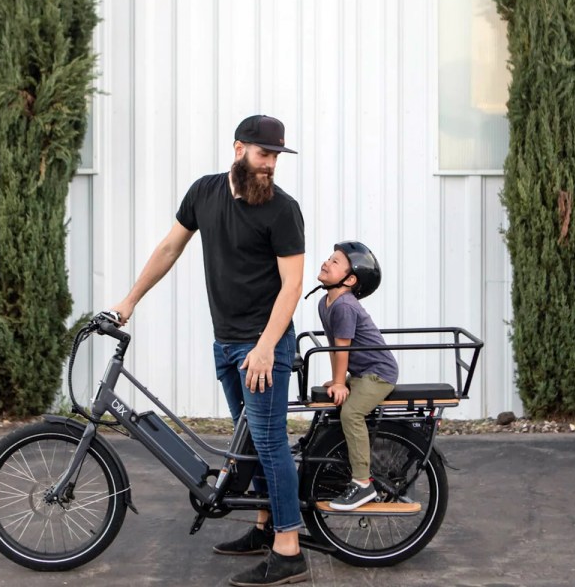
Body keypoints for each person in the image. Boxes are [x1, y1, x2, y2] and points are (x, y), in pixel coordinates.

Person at [111, 115, 310, 586]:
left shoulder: (283, 210)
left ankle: (289, 548)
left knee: (268, 440)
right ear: (239, 149)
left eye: (277, 157)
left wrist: (264, 348)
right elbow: (168, 249)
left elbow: (292, 285)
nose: (271, 166)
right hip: (227, 343)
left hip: (265, 344)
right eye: (264, 155)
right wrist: (129, 300)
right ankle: (263, 527)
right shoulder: (204, 193)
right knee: (249, 447)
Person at [312, 241, 399, 511]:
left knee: (351, 413)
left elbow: (343, 347)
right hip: (361, 373)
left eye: (335, 262)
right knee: (330, 405)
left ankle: (363, 483)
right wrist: (336, 379)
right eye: (329, 258)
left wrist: (341, 382)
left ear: (350, 279)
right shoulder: (325, 302)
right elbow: (334, 347)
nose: (327, 262)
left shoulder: (344, 306)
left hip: (379, 374)